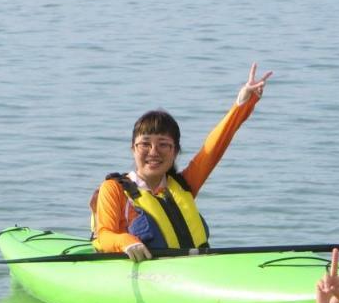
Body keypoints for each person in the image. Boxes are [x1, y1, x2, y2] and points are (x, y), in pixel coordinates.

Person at [89, 63, 273, 261]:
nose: (153, 152)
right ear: (133, 148)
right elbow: (105, 234)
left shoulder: (184, 185)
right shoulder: (114, 189)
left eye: (163, 144)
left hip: (190, 271)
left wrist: (243, 103)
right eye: (145, 144)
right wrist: (126, 241)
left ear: (175, 151)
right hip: (144, 274)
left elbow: (214, 148)